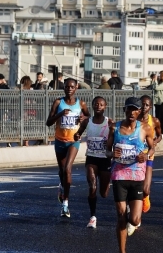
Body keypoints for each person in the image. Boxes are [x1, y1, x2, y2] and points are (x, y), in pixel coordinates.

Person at [105, 97, 154, 253]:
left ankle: (131, 214)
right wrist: (112, 153)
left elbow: (152, 148)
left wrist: (145, 156)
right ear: (124, 110)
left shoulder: (145, 128)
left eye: (135, 109)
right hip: (119, 176)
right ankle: (122, 251)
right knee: (121, 217)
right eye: (129, 109)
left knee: (134, 219)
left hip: (137, 177)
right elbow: (106, 151)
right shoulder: (114, 128)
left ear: (139, 112)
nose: (131, 112)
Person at [45, 78, 90, 218]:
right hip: (59, 141)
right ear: (63, 88)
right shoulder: (58, 102)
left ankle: (65, 204)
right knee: (62, 171)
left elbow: (88, 116)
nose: (69, 89)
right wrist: (60, 114)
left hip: (73, 141)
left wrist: (84, 119)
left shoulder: (81, 104)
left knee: (67, 169)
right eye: (66, 87)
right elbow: (48, 122)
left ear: (76, 87)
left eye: (72, 87)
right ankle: (62, 186)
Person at [77, 96, 114, 229]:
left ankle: (106, 185)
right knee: (92, 186)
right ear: (92, 106)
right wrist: (77, 136)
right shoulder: (87, 122)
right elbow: (78, 133)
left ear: (105, 106)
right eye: (96, 104)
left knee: (104, 193)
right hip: (91, 158)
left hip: (105, 159)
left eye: (101, 104)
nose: (98, 106)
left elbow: (115, 137)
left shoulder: (109, 123)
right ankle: (93, 217)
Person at [138, 95, 162, 214]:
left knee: (146, 189)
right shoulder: (134, 119)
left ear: (150, 107)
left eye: (146, 105)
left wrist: (154, 142)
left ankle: (146, 196)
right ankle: (134, 211)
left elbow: (160, 135)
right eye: (142, 104)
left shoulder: (155, 121)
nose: (144, 107)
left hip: (149, 155)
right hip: (135, 156)